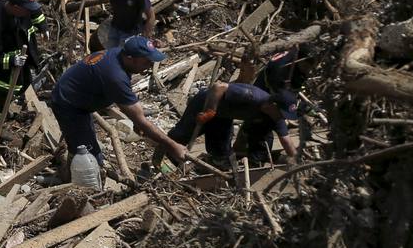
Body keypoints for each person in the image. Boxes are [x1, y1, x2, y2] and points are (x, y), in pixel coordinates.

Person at [50, 36, 186, 169]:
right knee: (89, 159)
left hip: (77, 96)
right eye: (147, 61)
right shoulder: (115, 76)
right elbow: (141, 120)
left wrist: (136, 120)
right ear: (130, 58)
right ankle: (73, 181)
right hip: (69, 105)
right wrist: (173, 146)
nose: (151, 65)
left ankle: (71, 166)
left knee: (85, 145)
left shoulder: (119, 54)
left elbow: (130, 105)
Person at [166, 81, 299, 166]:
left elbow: (286, 139)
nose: (282, 118)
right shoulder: (251, 96)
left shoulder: (275, 117)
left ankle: (214, 166)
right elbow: (218, 87)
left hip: (224, 116)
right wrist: (210, 111)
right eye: (281, 113)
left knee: (221, 151)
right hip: (208, 102)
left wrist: (295, 160)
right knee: (182, 135)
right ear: (273, 105)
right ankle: (164, 156)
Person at [0, 0, 47, 127]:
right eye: (27, 10)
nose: (29, 13)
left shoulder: (15, 1)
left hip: (20, 55)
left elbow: (34, 11)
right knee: (4, 94)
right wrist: (11, 61)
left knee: (25, 81)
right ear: (15, 8)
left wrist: (42, 26)